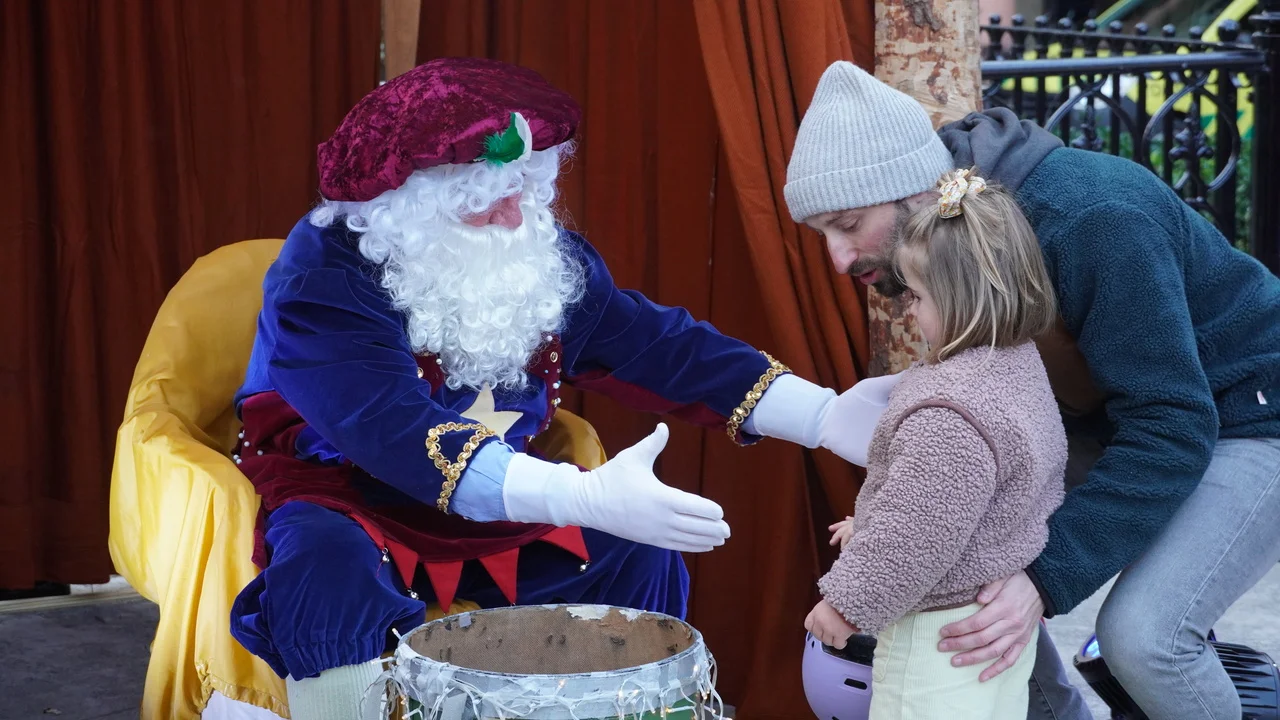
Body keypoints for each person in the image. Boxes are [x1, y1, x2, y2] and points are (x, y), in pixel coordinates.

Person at [225, 57, 894, 720]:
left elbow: (657, 345)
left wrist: (819, 413)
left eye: (523, 189)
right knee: (323, 579)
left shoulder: (533, 255)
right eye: (483, 202)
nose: (515, 218)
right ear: (410, 211)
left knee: (636, 550)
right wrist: (577, 495)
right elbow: (388, 424)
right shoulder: (324, 278)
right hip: (347, 497)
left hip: (505, 500)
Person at [786, 61, 1280, 720]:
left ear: (913, 189)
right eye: (822, 234)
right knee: (963, 560)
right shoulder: (945, 233)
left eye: (848, 223)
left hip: (1249, 413)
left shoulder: (1092, 217)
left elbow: (1171, 423)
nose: (839, 258)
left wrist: (1044, 579)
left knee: (1145, 640)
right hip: (1121, 415)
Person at [804, 167, 1068, 719]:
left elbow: (914, 535)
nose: (909, 310)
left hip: (936, 643)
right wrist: (870, 522)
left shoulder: (952, 412)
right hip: (993, 630)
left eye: (919, 296)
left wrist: (845, 606)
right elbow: (962, 504)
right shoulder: (1017, 365)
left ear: (963, 300)